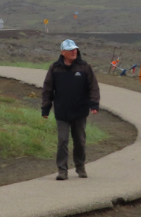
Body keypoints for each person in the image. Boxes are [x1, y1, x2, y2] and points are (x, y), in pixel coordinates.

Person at [41, 39, 101, 180]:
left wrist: (94, 104)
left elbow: (93, 87)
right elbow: (47, 89)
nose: (74, 51)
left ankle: (80, 167)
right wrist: (45, 108)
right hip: (62, 111)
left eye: (75, 49)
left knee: (79, 140)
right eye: (70, 50)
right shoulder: (55, 68)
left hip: (80, 110)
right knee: (63, 140)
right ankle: (62, 170)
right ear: (63, 52)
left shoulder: (85, 67)